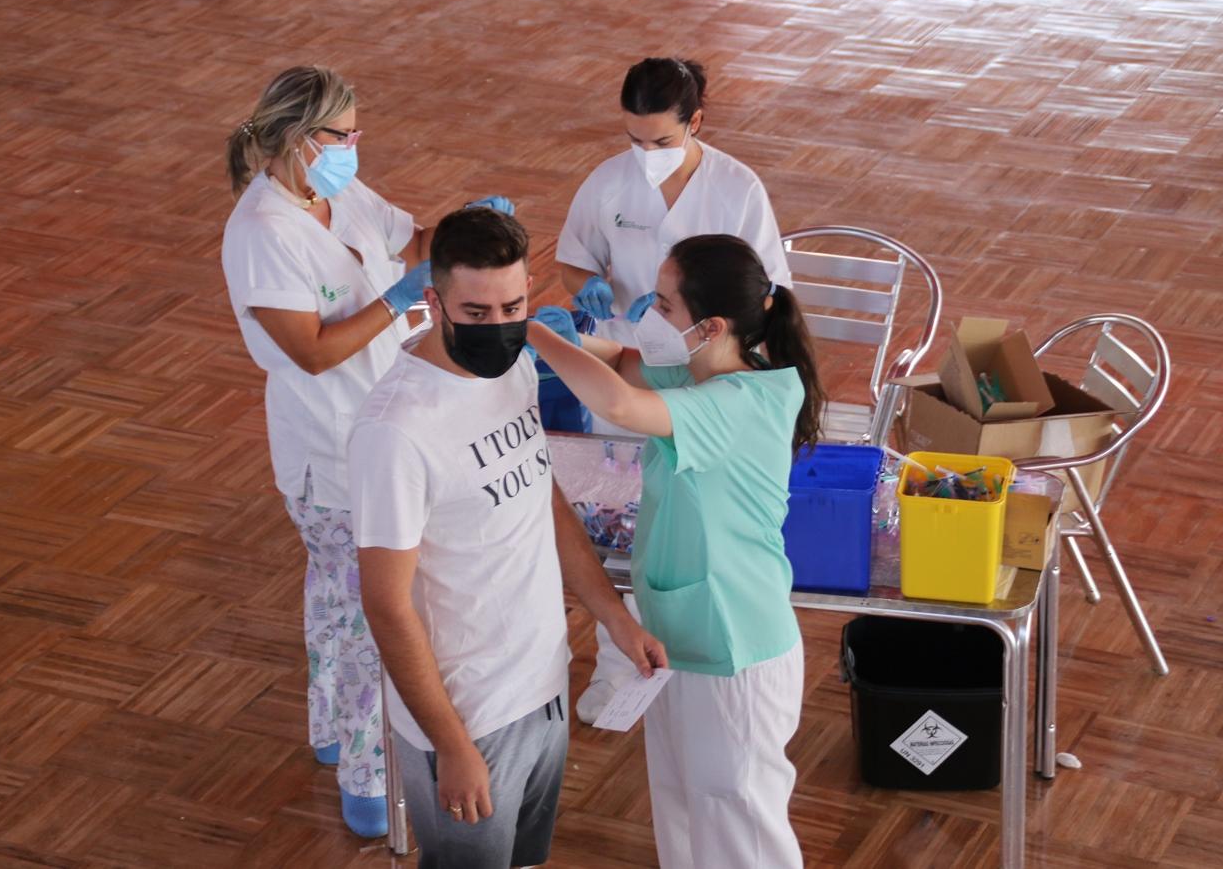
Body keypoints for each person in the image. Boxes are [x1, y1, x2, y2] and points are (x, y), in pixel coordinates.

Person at [221, 65, 513, 838]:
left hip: (382, 430)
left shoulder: (336, 193)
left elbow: (410, 242)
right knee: (367, 620)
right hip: (331, 455)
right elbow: (313, 352)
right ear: (293, 138)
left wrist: (459, 228)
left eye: (357, 133)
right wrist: (396, 298)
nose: (355, 147)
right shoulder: (261, 234)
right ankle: (368, 778)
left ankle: (329, 733)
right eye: (341, 135)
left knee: (335, 599)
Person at [349, 207, 666, 869]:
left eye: (513, 308)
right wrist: (451, 744)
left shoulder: (516, 367)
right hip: (468, 714)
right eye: (477, 313)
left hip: (542, 681)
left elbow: (539, 497)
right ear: (433, 302)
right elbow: (386, 603)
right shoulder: (396, 430)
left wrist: (612, 616)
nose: (499, 329)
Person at [528, 234, 825, 869]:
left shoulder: (739, 401)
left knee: (739, 828)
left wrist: (529, 332)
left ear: (711, 325)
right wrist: (576, 337)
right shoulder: (700, 370)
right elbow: (621, 363)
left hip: (733, 646)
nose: (650, 315)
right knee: (686, 811)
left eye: (663, 305)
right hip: (679, 635)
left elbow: (616, 401)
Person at [555, 56, 794, 722]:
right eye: (634, 139)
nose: (646, 154)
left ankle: (671, 653)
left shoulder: (737, 189)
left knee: (681, 528)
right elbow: (574, 258)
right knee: (624, 529)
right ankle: (621, 663)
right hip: (628, 361)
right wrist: (588, 295)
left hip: (701, 373)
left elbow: (766, 290)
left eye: (661, 141)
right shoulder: (608, 183)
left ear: (696, 121)